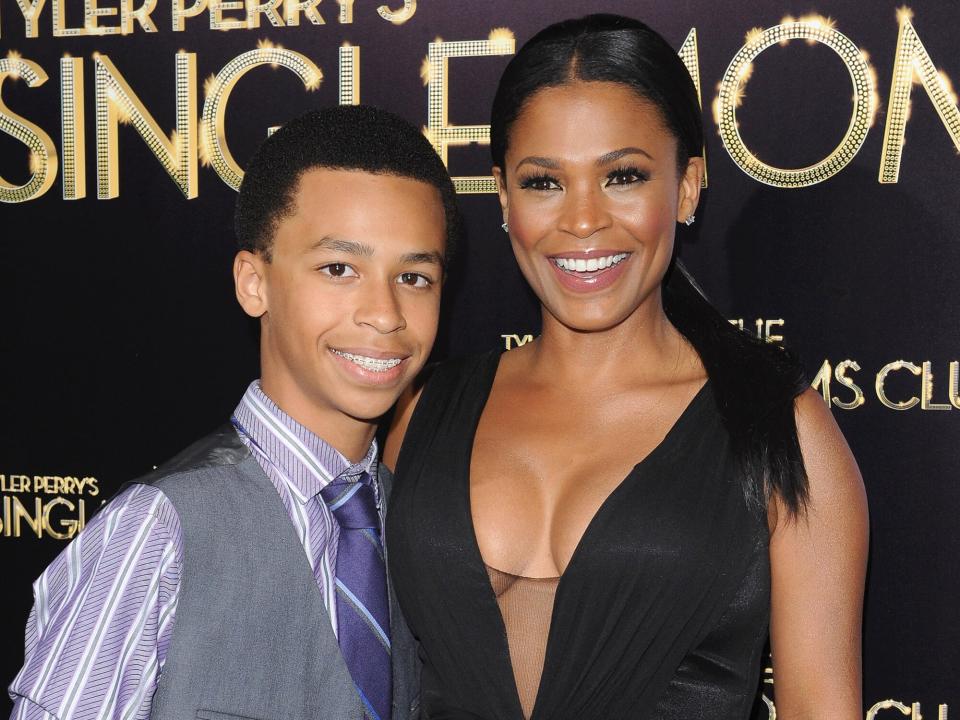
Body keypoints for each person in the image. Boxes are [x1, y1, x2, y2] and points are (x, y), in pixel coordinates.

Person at [384, 14, 868, 720]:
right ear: (504, 196)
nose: (583, 220)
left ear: (687, 185)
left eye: (623, 176)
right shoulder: (421, 412)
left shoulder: (776, 431)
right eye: (544, 181)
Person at [9, 104, 461, 720]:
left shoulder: (410, 519)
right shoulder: (157, 530)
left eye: (414, 277)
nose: (384, 312)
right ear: (254, 283)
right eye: (339, 269)